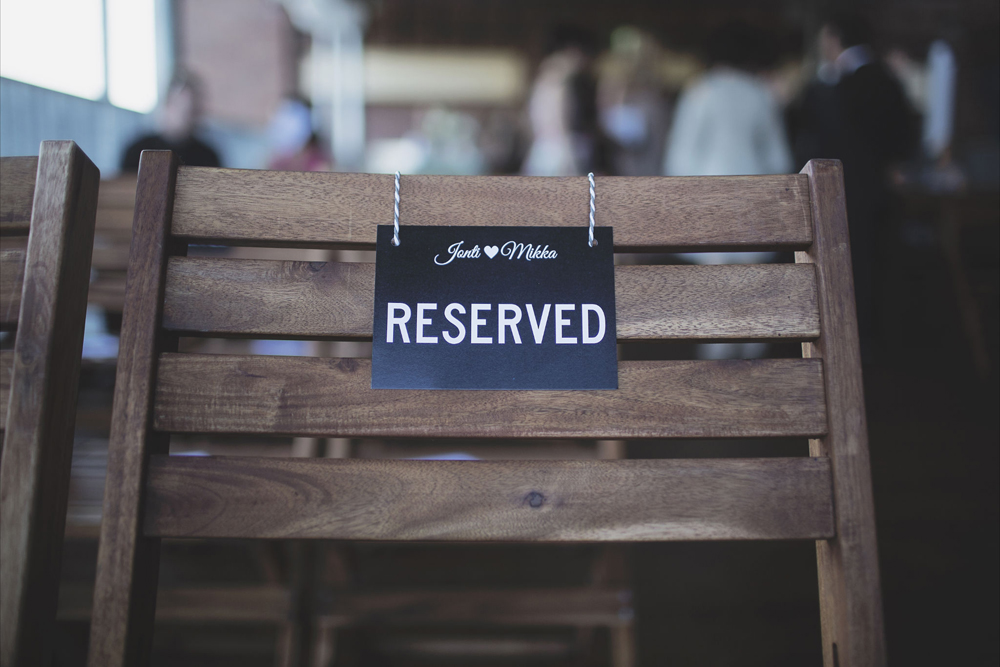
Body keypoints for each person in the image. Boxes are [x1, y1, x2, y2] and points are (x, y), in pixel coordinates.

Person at [791, 13, 919, 356]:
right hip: (880, 188)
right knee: (876, 265)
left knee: (845, 266)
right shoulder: (888, 78)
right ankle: (875, 343)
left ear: (833, 38)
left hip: (840, 189)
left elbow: (812, 139)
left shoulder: (832, 86)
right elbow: (904, 135)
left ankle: (847, 344)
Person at [523, 25, 607, 176]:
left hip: (545, 147)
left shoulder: (546, 76)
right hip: (557, 148)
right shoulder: (558, 75)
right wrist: (568, 151)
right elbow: (558, 117)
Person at [120, 71, 221, 171]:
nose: (186, 114)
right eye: (180, 105)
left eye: (191, 108)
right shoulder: (138, 150)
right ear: (166, 104)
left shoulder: (207, 156)